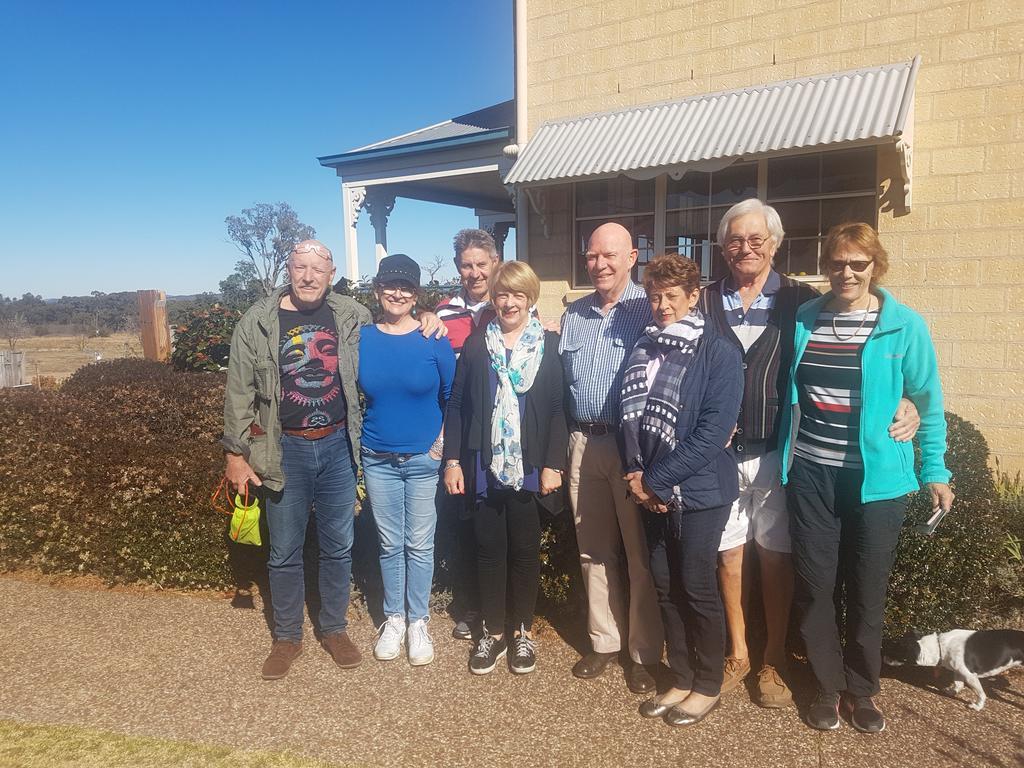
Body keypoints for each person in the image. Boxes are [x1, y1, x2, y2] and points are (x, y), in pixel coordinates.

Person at [697, 199, 921, 707]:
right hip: (717, 455)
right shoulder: (705, 300)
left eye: (757, 239)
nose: (745, 249)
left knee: (777, 560)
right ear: (723, 246)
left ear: (775, 245)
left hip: (781, 451)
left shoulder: (800, 303)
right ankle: (739, 653)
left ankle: (775, 659)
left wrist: (905, 400)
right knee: (727, 556)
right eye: (735, 240)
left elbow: (867, 367)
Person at [222, 240, 445, 680]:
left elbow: (392, 327)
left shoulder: (351, 315)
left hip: (340, 447)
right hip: (283, 450)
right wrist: (235, 453)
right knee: (284, 550)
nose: (308, 276)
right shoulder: (258, 322)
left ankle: (333, 628)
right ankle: (287, 637)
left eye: (317, 269)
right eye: (300, 267)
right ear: (288, 270)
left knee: (337, 546)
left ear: (332, 273)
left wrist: (427, 317)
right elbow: (238, 391)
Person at [778, 223, 954, 733]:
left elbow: (927, 401)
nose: (847, 272)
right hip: (810, 472)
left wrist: (936, 468)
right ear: (826, 265)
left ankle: (863, 688)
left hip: (876, 482)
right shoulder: (807, 318)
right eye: (837, 263)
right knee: (814, 586)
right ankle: (828, 687)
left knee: (866, 590)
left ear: (875, 266)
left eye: (858, 263)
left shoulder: (903, 326)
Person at [621, 253, 743, 726]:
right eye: (654, 296)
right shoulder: (646, 345)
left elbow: (713, 434)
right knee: (665, 586)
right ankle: (682, 674)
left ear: (695, 296)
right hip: (648, 490)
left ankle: (708, 683)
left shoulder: (719, 351)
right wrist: (637, 477)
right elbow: (627, 417)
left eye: (672, 296)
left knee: (695, 586)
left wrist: (654, 479)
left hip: (699, 491)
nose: (662, 305)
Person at [442, 261, 568, 674]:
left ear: (529, 298)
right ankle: (493, 634)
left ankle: (522, 633)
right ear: (493, 298)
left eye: (517, 294)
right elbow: (458, 405)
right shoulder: (479, 345)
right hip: (483, 464)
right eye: (502, 294)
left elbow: (555, 409)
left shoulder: (547, 345)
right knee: (489, 550)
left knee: (526, 552)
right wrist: (454, 460)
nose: (509, 302)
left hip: (530, 466)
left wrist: (553, 464)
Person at [560, 222, 663, 693]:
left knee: (639, 554)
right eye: (592, 256)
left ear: (632, 258)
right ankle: (604, 641)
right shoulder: (574, 315)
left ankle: (642, 653)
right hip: (583, 442)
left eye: (609, 256)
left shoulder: (651, 308)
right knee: (592, 550)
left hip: (632, 447)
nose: (599, 264)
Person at [359, 253, 456, 667]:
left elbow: (454, 399)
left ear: (416, 294)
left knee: (418, 544)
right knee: (388, 542)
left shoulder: (434, 339)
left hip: (422, 459)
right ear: (378, 290)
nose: (396, 293)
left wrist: (440, 446)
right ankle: (393, 619)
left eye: (406, 287)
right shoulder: (361, 337)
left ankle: (418, 620)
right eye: (389, 286)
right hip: (376, 457)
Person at [435, 228, 500, 641]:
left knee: (496, 518)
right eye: (466, 265)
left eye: (481, 263)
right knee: (460, 520)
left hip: (500, 432)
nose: (474, 272)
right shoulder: (442, 313)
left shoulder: (510, 305)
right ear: (458, 268)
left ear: (495, 262)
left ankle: (502, 603)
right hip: (458, 428)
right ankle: (469, 604)